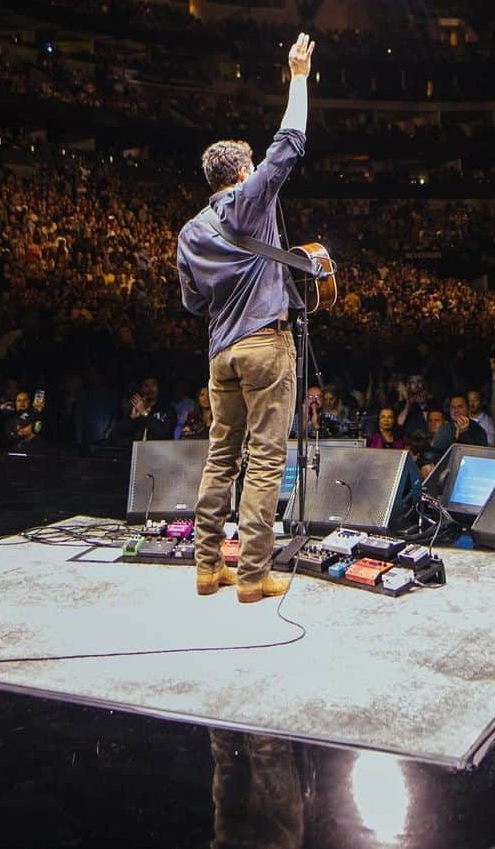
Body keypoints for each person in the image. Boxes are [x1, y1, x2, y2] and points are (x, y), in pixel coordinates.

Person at [177, 33, 314, 604]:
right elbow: (291, 141)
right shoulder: (251, 199)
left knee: (220, 456)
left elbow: (192, 304)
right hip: (264, 345)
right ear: (241, 173)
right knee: (263, 463)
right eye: (253, 168)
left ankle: (209, 568)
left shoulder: (189, 232)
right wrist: (299, 78)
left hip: (220, 353)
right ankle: (254, 576)